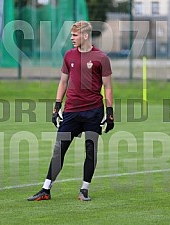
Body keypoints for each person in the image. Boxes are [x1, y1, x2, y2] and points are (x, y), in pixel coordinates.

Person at [27, 21, 114, 201]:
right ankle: (45, 189)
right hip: (71, 111)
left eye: (74, 35)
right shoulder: (68, 56)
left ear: (85, 36)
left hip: (93, 111)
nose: (72, 39)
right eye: (71, 35)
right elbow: (63, 82)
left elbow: (108, 87)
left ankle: (84, 190)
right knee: (59, 149)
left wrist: (110, 112)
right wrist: (57, 105)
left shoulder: (101, 58)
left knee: (91, 150)